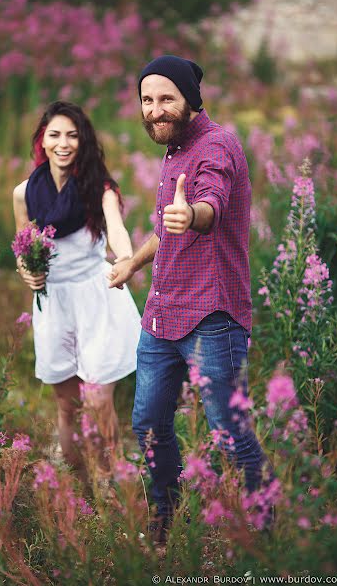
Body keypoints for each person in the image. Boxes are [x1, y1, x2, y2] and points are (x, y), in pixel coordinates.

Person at [109, 55, 273, 541]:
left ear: (190, 100)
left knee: (230, 432)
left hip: (212, 317)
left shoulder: (217, 145)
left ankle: (266, 534)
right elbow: (166, 226)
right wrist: (134, 264)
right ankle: (165, 515)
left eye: (166, 99)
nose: (155, 110)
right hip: (163, 315)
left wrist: (194, 214)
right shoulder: (173, 149)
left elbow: (209, 204)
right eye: (147, 100)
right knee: (148, 423)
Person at [13, 100, 141, 485]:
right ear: (43, 141)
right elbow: (24, 245)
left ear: (82, 142)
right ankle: (82, 488)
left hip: (96, 297)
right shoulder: (24, 193)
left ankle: (115, 479)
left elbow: (116, 228)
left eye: (72, 135)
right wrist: (27, 272)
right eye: (55, 135)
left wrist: (127, 257)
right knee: (67, 405)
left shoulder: (98, 188)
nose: (63, 143)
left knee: (99, 400)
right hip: (54, 303)